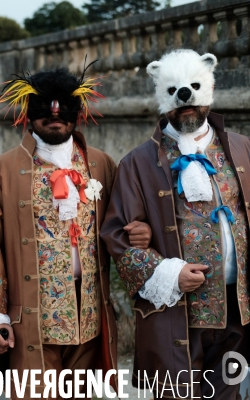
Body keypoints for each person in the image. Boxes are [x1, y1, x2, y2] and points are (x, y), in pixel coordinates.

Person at [0, 66, 153, 398]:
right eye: (44, 109)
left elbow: (121, 226)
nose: (55, 116)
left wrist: (139, 232)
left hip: (91, 314)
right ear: (28, 114)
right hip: (32, 318)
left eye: (65, 109)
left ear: (77, 114)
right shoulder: (4, 169)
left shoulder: (102, 164)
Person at [101, 49, 250, 399]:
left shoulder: (242, 149)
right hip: (175, 312)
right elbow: (116, 237)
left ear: (209, 90)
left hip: (236, 310)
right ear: (162, 97)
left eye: (194, 89)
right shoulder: (137, 162)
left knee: (228, 394)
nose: (186, 100)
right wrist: (167, 273)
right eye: (175, 93)